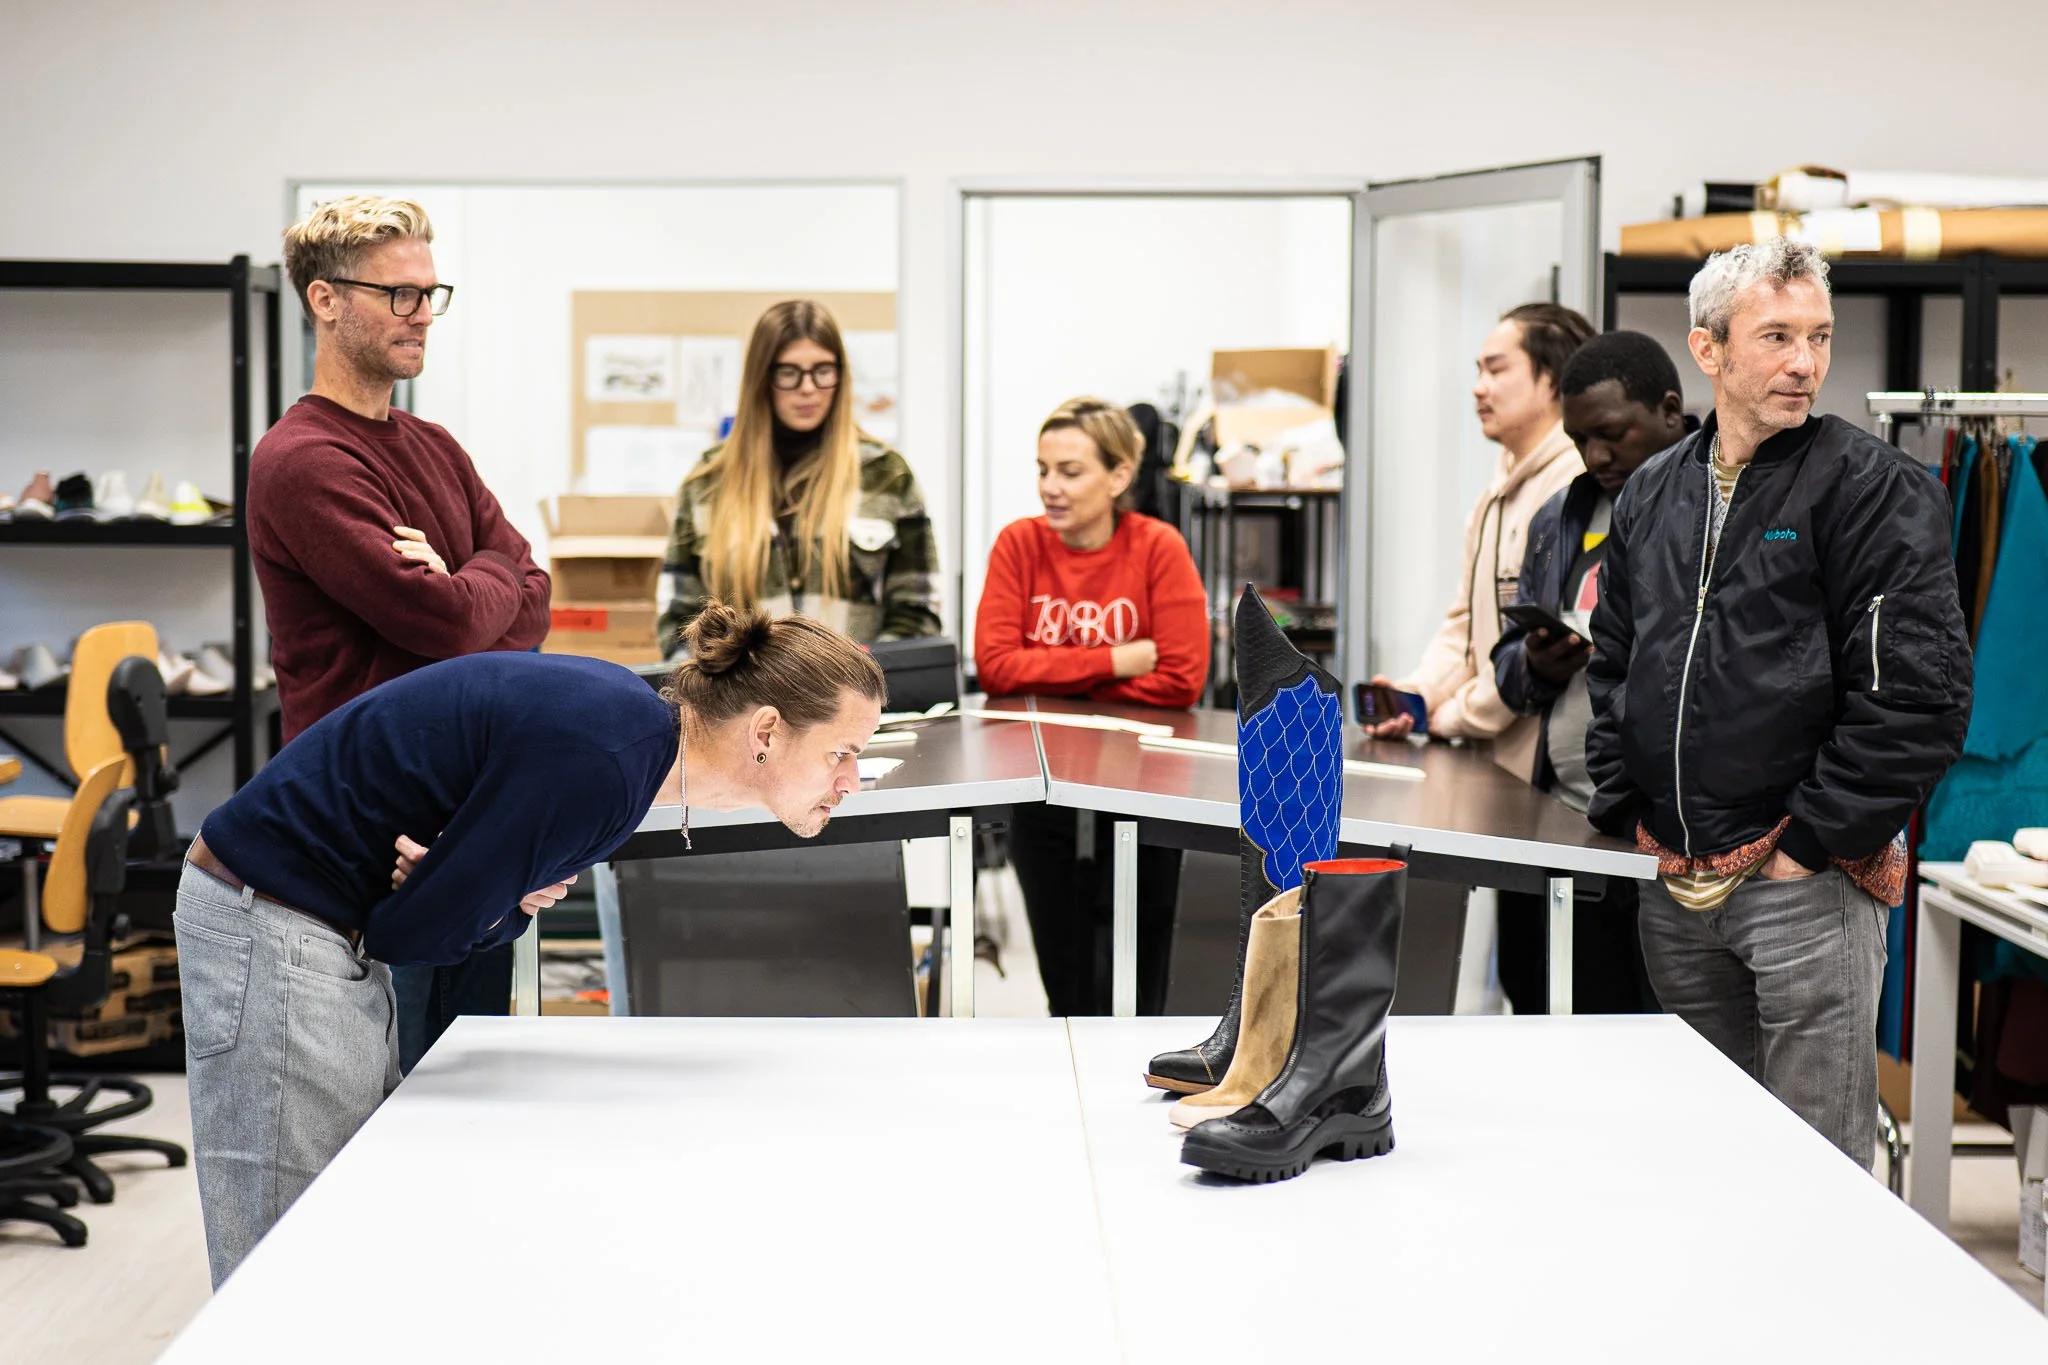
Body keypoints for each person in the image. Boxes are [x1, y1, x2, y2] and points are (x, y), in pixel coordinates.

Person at [174, 602, 885, 1285]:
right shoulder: (608, 763)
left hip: (314, 922)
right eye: (842, 752)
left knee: (328, 1240)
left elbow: (454, 909)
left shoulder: (634, 743)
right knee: (283, 1267)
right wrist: (484, 891)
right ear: (765, 730)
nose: (851, 779)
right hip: (271, 915)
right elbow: (415, 932)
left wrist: (480, 887)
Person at [1585, 239, 1972, 1163]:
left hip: (1805, 885)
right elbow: (1618, 658)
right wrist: (1628, 796)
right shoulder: (1652, 491)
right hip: (1677, 878)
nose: (1805, 363)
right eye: (1777, 336)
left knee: (1818, 1166)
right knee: (1711, 1154)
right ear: (1708, 350)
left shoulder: (1871, 486)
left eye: (1820, 337)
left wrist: (1813, 840)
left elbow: (1920, 692)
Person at [253, 194, 553, 1073]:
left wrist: (471, 580)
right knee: (392, 1103)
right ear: (325, 300)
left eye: (431, 293)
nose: (421, 315)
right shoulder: (306, 459)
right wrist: (476, 584)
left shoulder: (435, 446)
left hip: (463, 818)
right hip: (371, 835)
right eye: (398, 294)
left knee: (468, 1088)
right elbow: (443, 619)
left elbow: (533, 596)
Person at [974, 397, 1209, 1015]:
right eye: (1043, 469)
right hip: (1043, 786)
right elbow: (996, 667)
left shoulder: (1158, 547)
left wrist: (1049, 678)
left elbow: (1183, 679)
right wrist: (1117, 661)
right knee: (1065, 977)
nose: (1051, 487)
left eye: (1070, 471)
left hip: (1144, 788)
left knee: (1139, 971)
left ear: (1119, 475)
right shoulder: (1019, 545)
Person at [1490, 330, 1691, 1015]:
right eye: (1581, 440)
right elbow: (1506, 666)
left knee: (1641, 1025)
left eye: (1611, 434)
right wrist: (1535, 664)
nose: (1596, 455)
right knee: (1542, 1003)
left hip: (1664, 839)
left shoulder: (1721, 508)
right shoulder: (1566, 514)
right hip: (1560, 817)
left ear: (1670, 411)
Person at [1362, 302, 1595, 784]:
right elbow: (1465, 626)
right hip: (1491, 765)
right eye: (1478, 371)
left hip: (1554, 775)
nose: (1479, 388)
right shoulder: (1496, 492)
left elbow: (1544, 649)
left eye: (1496, 369)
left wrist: (1450, 715)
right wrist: (1418, 695)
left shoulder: (1575, 485)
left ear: (1551, 379)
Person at [658, 299, 940, 653]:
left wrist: (859, 688)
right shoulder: (708, 483)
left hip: (853, 700)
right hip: (741, 704)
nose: (808, 388)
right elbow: (678, 620)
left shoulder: (888, 476)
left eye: (823, 370)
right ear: (762, 377)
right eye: (789, 373)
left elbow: (917, 614)